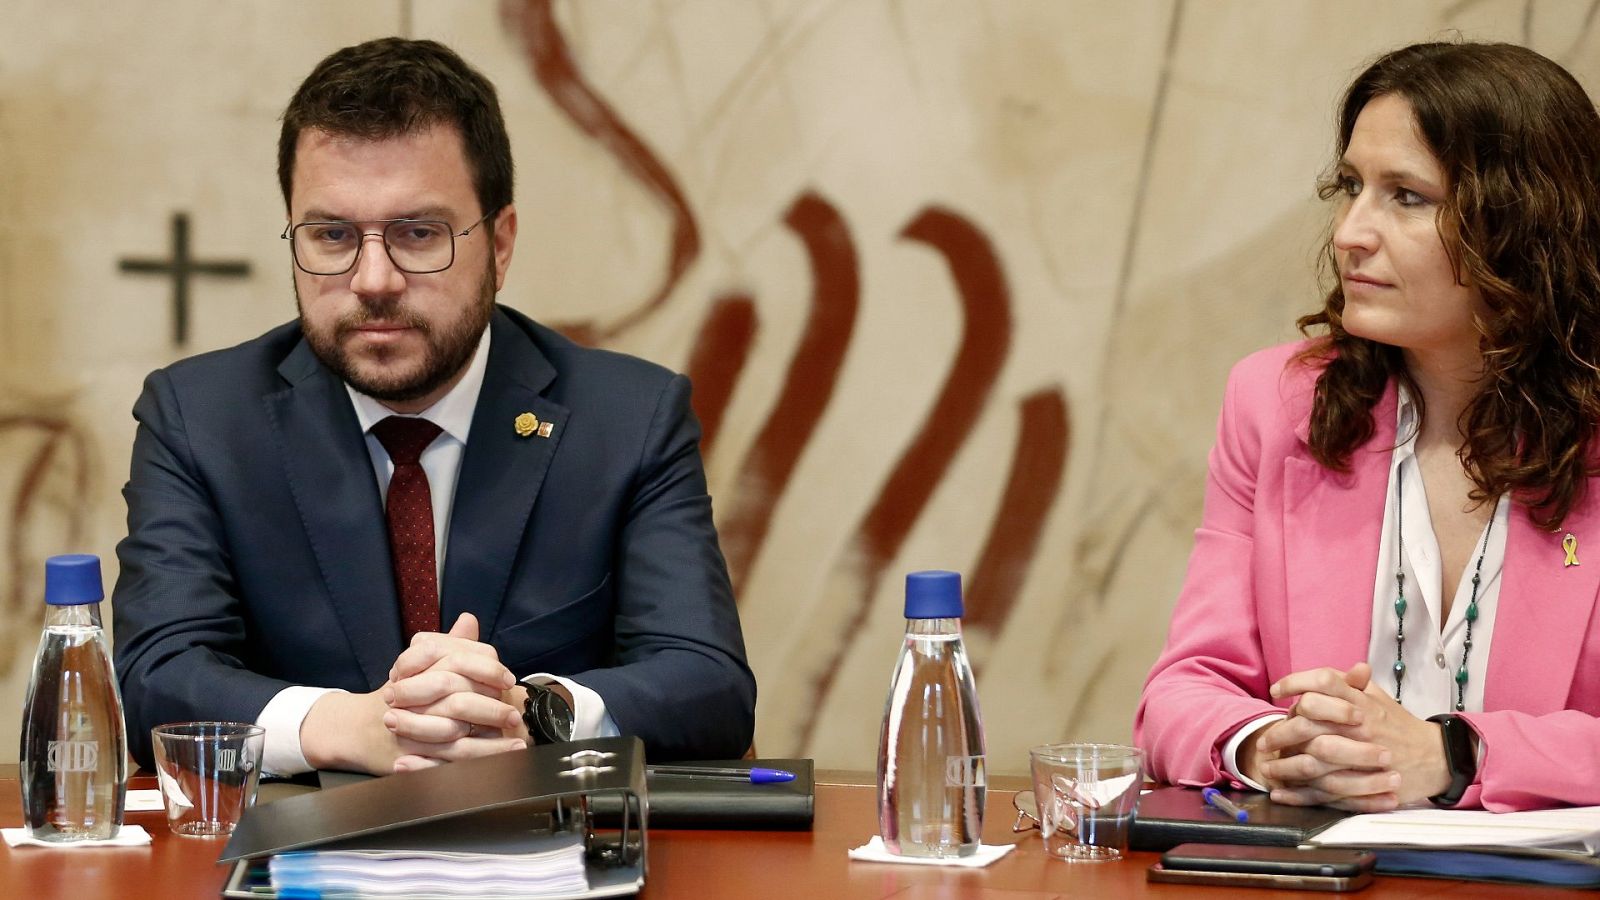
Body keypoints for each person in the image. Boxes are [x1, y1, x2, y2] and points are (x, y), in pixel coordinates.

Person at [112, 37, 756, 775]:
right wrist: (346, 725)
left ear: (501, 244)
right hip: (291, 869)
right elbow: (153, 673)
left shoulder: (629, 418)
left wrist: (527, 712)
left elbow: (709, 683)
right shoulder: (202, 419)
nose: (374, 279)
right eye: (332, 236)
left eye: (419, 234)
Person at [1135, 41, 1600, 812]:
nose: (1350, 231)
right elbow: (1181, 691)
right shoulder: (1278, 405)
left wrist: (1455, 755)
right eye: (1350, 186)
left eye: (1406, 196)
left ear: (1527, 224)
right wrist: (1263, 743)